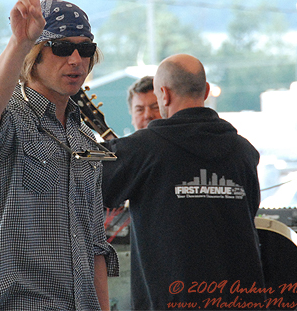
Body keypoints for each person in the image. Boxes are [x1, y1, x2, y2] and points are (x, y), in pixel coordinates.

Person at [0, 0, 119, 311]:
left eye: (85, 48)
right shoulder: (11, 117)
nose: (76, 59)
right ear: (36, 55)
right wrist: (20, 41)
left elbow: (95, 247)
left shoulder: (85, 140)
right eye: (62, 47)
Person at [102, 54, 266, 310]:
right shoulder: (244, 152)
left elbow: (74, 178)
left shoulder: (142, 150)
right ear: (207, 90)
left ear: (164, 95)